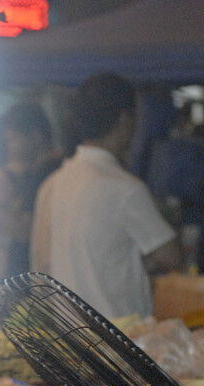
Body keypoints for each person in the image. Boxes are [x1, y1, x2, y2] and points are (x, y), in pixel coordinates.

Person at [31, 72, 181, 319]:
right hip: (118, 339)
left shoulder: (52, 184)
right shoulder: (125, 188)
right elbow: (171, 255)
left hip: (66, 337)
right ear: (125, 120)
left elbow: (41, 262)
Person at [0, 102, 63, 280]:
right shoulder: (49, 170)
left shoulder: (43, 174)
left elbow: (25, 231)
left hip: (32, 283)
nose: (9, 147)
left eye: (13, 139)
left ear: (36, 136)